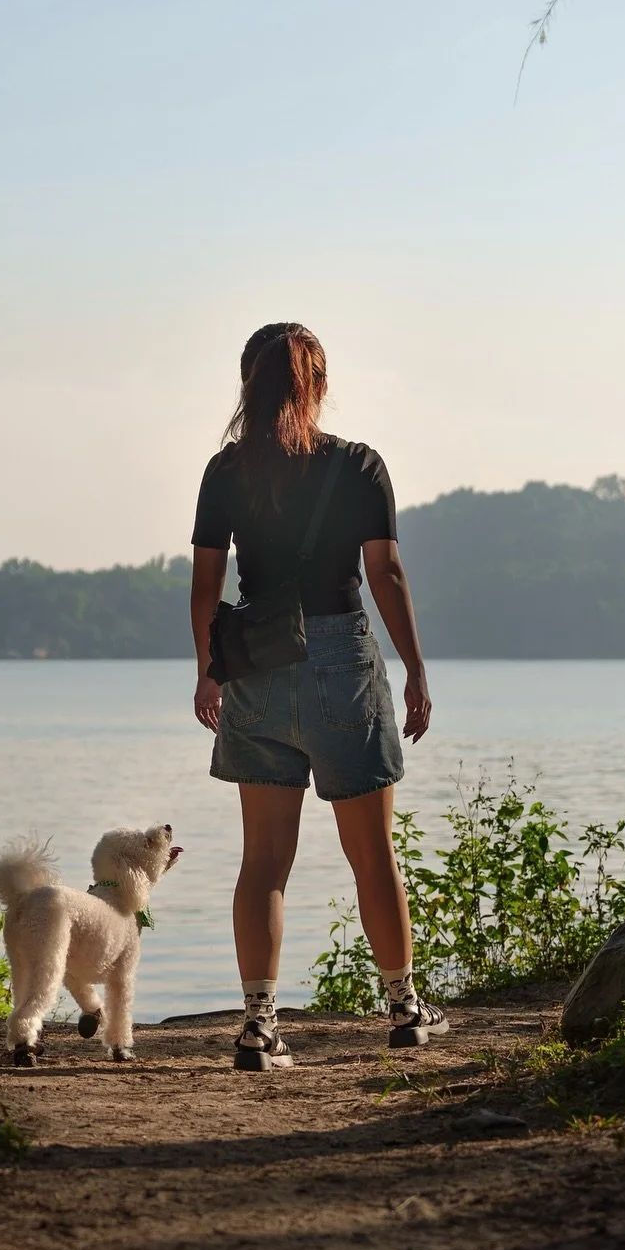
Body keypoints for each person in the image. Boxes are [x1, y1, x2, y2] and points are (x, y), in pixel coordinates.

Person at [190, 321, 447, 1071]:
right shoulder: (359, 465)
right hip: (340, 658)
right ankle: (404, 1009)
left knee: (263, 859)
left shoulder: (225, 470)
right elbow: (386, 573)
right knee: (373, 853)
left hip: (257, 662)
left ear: (248, 384)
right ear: (319, 385)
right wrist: (416, 667)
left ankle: (259, 1027)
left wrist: (209, 666)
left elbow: (207, 585)